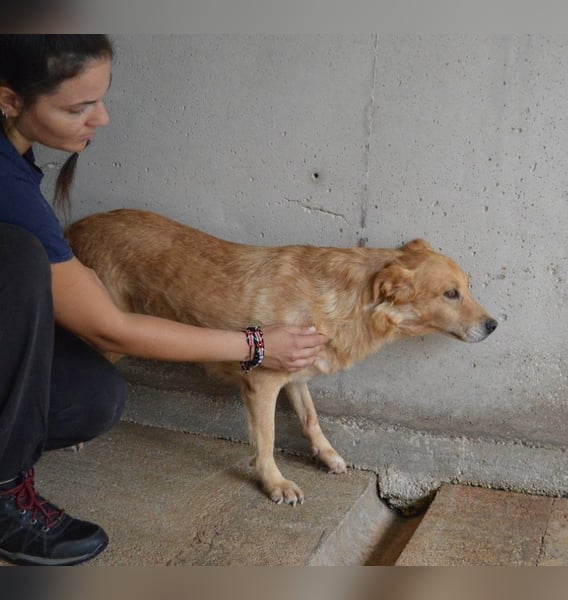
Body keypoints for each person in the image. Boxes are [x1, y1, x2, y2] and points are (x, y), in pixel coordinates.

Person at [0, 34, 329, 566]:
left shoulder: (15, 157)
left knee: (92, 394)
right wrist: (254, 344)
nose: (101, 118)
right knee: (17, 256)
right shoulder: (5, 183)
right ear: (9, 100)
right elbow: (110, 328)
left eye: (101, 99)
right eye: (80, 107)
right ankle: (4, 491)